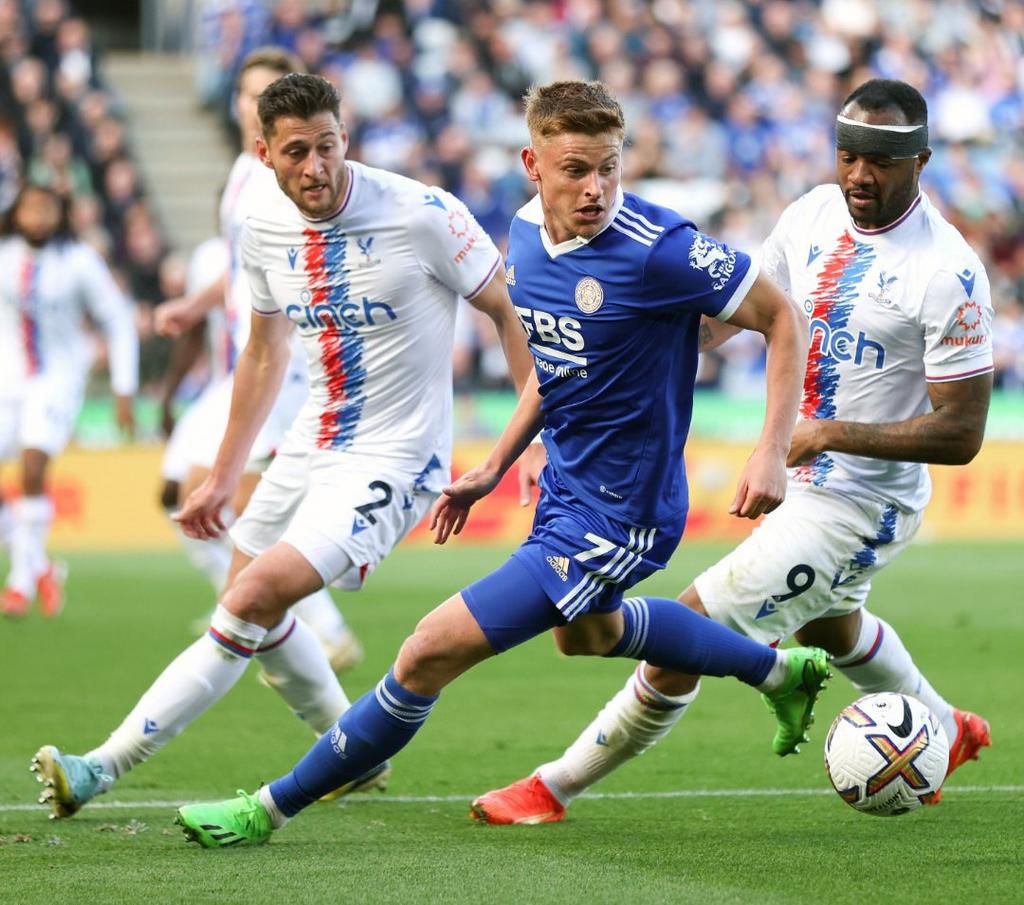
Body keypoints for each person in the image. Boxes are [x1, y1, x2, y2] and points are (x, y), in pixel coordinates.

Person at [172, 79, 830, 848]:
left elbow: (782, 316)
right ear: (532, 165)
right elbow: (552, 369)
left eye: (609, 168)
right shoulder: (524, 234)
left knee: (427, 649)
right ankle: (781, 672)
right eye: (575, 169)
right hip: (568, 489)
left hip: (626, 509)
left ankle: (267, 808)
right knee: (589, 634)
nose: (595, 189)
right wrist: (495, 463)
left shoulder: (662, 248)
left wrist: (770, 448)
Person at [469, 78, 995, 826]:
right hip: (801, 474)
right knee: (828, 626)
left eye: (880, 162)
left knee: (693, 628)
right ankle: (945, 725)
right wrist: (639, 338)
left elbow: (962, 432)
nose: (858, 175)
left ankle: (554, 786)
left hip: (862, 501)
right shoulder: (812, 213)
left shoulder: (947, 272)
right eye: (847, 156)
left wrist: (820, 434)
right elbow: (728, 316)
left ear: (922, 162)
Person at [30, 72, 539, 819]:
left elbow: (510, 312)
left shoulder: (423, 213)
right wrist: (223, 474)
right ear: (263, 153)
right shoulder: (262, 226)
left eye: (327, 146)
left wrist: (527, 444)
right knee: (248, 608)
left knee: (251, 598)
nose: (316, 167)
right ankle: (353, 751)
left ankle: (101, 766)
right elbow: (262, 352)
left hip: (397, 459)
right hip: (308, 443)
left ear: (345, 137)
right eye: (296, 152)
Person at [154, 47, 360, 669]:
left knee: (227, 496)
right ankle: (253, 604)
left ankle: (304, 622)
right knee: (180, 490)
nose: (256, 105)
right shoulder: (245, 173)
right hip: (240, 363)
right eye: (250, 95)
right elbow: (245, 265)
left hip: (282, 360)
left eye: (270, 93)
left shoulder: (292, 178)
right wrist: (196, 304)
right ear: (238, 103)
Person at [0, 182, 137, 618]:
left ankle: (19, 583)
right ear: (16, 213)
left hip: (57, 379)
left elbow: (118, 320)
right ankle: (42, 565)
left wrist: (124, 388)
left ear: (60, 214)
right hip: (8, 378)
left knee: (32, 466)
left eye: (46, 209)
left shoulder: (79, 262)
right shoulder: (5, 255)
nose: (37, 217)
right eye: (30, 209)